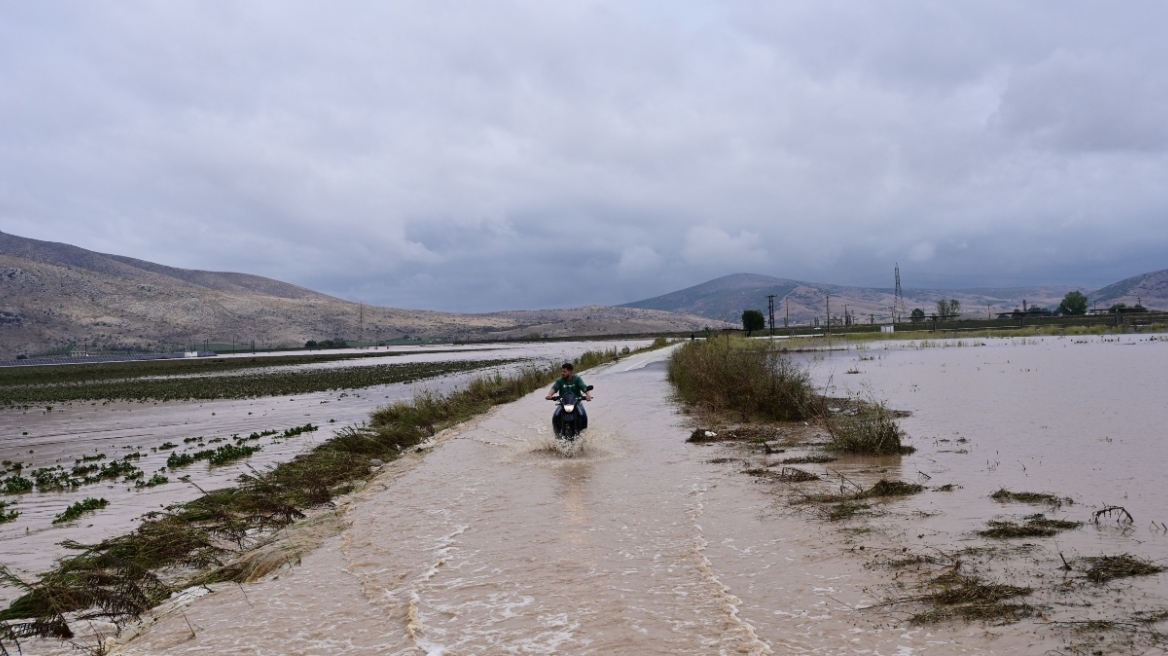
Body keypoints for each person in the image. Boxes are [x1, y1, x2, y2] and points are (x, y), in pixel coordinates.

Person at [546, 362, 591, 434]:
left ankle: (583, 433)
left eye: (564, 371)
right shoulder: (559, 381)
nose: (562, 373)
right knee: (555, 416)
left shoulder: (577, 379)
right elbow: (554, 388)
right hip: (563, 404)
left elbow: (584, 387)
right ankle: (557, 433)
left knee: (583, 415)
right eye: (562, 371)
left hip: (576, 403)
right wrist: (549, 395)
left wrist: (588, 395)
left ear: (570, 372)